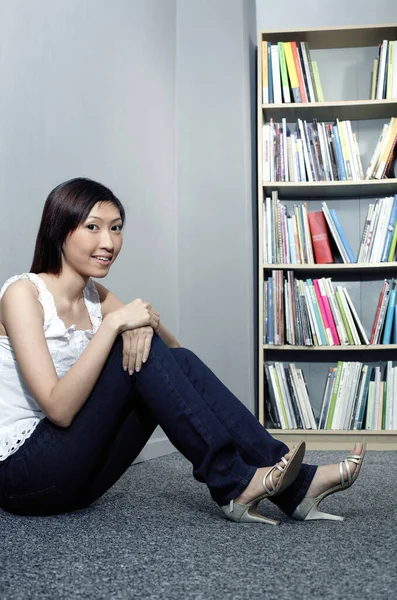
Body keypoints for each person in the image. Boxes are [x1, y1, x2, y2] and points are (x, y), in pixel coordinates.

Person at [0, 177, 365, 524]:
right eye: (93, 227)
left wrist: (143, 323)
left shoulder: (96, 297)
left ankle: (294, 485)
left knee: (163, 356)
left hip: (80, 479)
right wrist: (115, 325)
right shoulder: (23, 294)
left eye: (116, 227)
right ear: (60, 230)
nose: (109, 242)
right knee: (135, 353)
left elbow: (173, 359)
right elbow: (59, 410)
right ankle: (235, 482)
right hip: (25, 478)